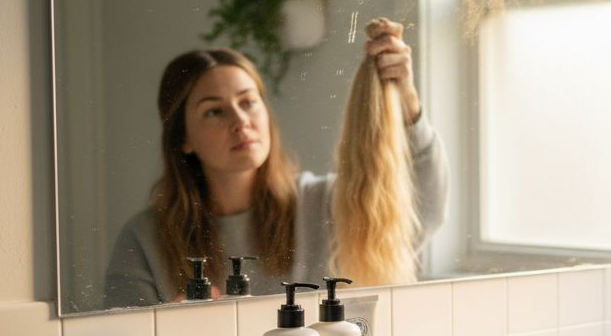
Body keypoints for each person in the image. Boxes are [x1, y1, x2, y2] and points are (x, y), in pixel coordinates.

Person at [104, 20, 447, 306]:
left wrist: (407, 101)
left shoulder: (324, 204)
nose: (240, 121)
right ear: (183, 138)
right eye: (214, 111)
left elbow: (422, 209)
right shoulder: (144, 240)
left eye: (248, 102)